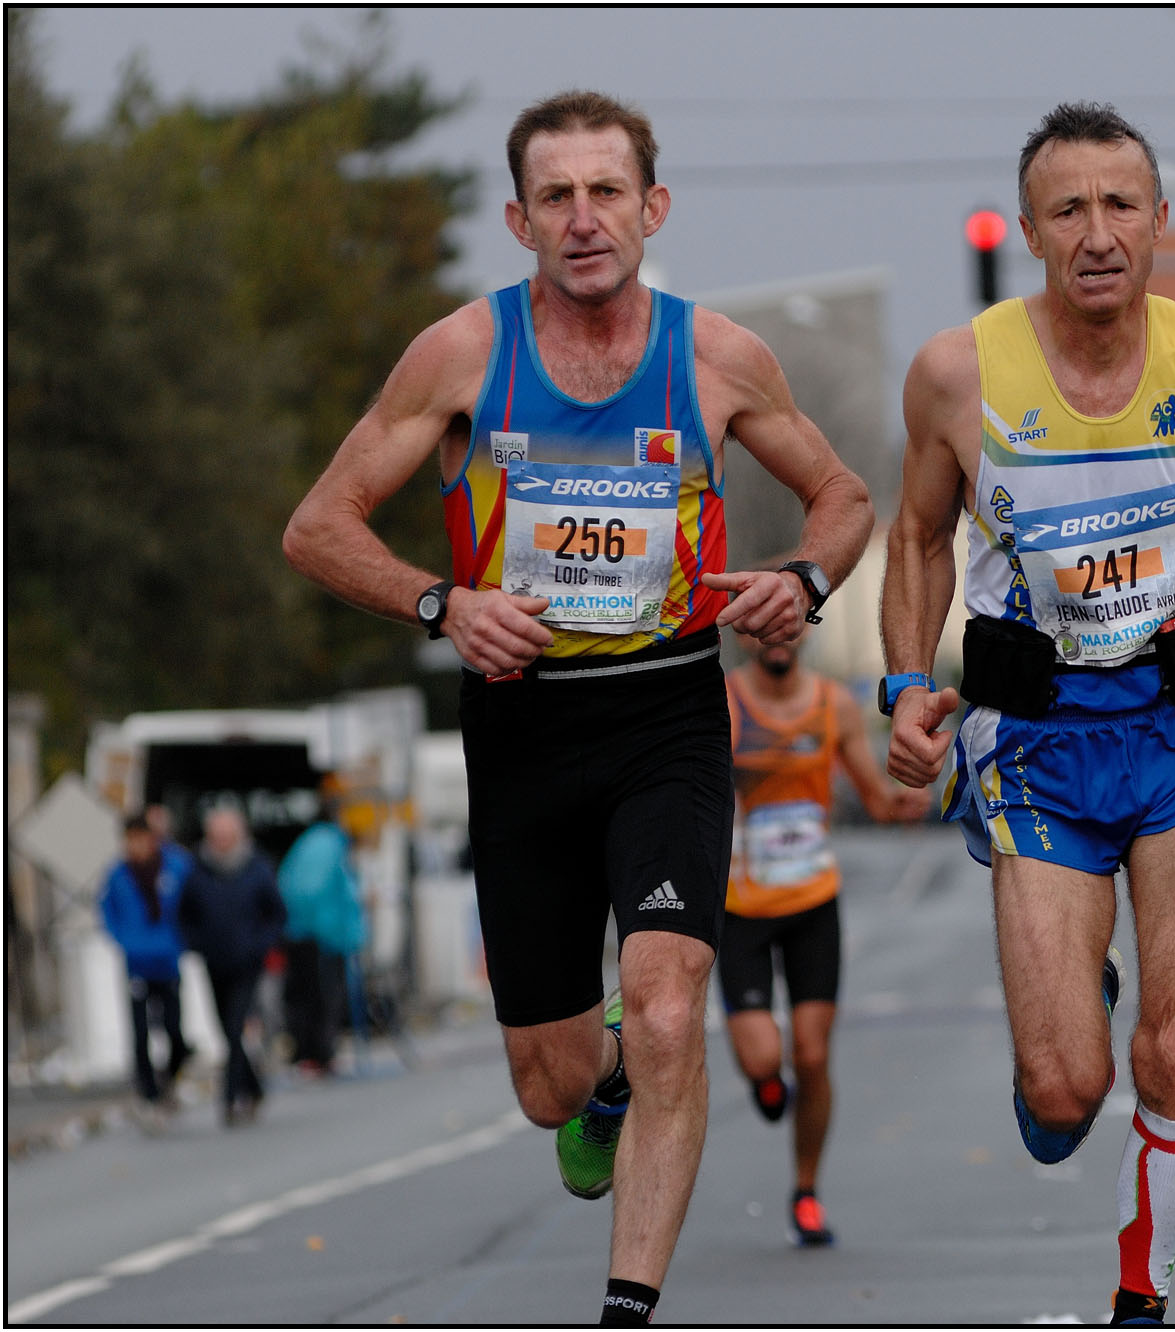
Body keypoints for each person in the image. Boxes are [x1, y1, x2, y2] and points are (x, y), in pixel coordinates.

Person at [282, 90, 872, 1324]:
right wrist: (443, 604)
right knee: (551, 1087)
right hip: (521, 724)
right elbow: (318, 527)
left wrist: (801, 582)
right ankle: (596, 1082)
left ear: (652, 209)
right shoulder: (461, 355)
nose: (584, 217)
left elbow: (842, 496)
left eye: (608, 191)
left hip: (665, 716)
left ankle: (627, 1309)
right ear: (519, 218)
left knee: (668, 1011)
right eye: (556, 195)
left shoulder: (713, 356)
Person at [882, 101, 1175, 1327]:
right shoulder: (956, 373)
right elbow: (918, 536)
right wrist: (905, 684)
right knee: (1067, 1093)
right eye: (1067, 209)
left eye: (1119, 205)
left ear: (1162, 222)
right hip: (1036, 741)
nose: (1096, 233)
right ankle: (1070, 1031)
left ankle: (1145, 1298)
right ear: (1029, 228)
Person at [718, 625, 927, 1248]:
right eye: (761, 633)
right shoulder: (725, 703)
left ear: (800, 637)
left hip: (812, 900)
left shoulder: (832, 704)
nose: (774, 643)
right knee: (763, 1058)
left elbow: (870, 791)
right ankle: (765, 1080)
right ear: (746, 639)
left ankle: (805, 1191)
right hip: (742, 907)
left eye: (784, 631)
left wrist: (900, 804)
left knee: (812, 1055)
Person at [178, 805, 286, 1126]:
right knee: (225, 1029)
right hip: (215, 961)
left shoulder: (257, 868)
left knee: (237, 1024)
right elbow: (185, 914)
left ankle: (229, 1098)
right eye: (217, 836)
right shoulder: (198, 870)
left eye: (228, 836)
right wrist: (196, 944)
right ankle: (254, 1087)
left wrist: (260, 945)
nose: (223, 842)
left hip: (247, 962)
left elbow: (276, 914)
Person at [100, 814, 195, 1114]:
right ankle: (149, 1093)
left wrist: (183, 939)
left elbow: (193, 902)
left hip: (167, 959)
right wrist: (123, 940)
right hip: (137, 962)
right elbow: (107, 911)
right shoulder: (118, 875)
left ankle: (169, 1077)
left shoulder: (175, 867)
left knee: (174, 1031)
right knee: (140, 1033)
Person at [277, 783, 366, 1073]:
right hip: (321, 935)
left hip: (301, 931)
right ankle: (319, 1054)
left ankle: (309, 1053)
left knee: (304, 996)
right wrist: (341, 933)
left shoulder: (310, 841)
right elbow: (319, 892)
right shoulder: (330, 845)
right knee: (323, 998)